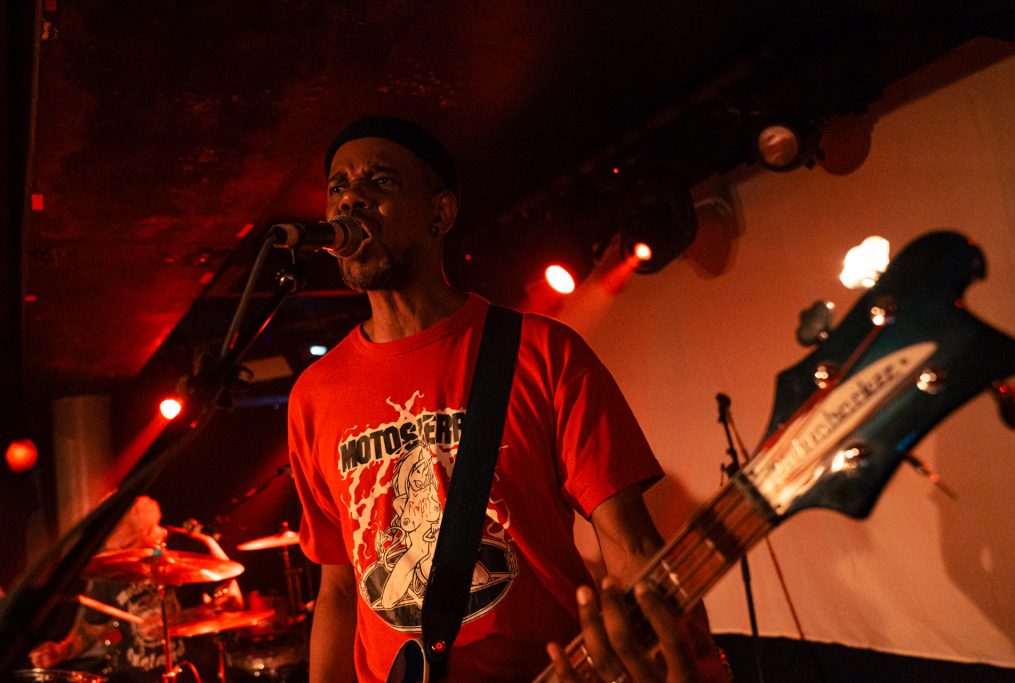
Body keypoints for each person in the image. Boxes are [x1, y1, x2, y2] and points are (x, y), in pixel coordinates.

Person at [287, 115, 730, 682]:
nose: (350, 201)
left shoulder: (540, 351)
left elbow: (629, 541)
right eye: (338, 187)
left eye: (380, 183)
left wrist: (688, 662)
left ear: (440, 214)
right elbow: (340, 587)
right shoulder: (314, 396)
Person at [28, 497, 242, 682]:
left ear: (147, 531)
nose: (120, 553)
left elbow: (233, 603)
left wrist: (178, 619)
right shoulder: (112, 565)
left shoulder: (195, 547)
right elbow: (92, 627)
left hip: (192, 673)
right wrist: (61, 650)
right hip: (133, 676)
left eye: (125, 546)